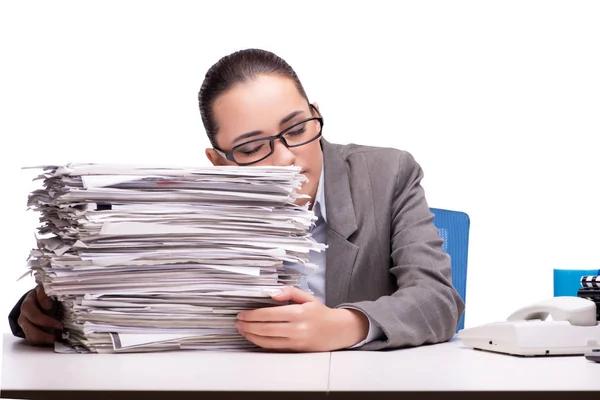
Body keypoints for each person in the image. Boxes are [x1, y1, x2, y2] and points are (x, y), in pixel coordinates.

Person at [8, 48, 465, 352]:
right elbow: (130, 286)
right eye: (251, 149)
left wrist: (345, 326)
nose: (286, 158)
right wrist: (42, 310)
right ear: (219, 161)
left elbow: (438, 301)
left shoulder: (387, 174)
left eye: (298, 128)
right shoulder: (191, 209)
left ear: (316, 114)